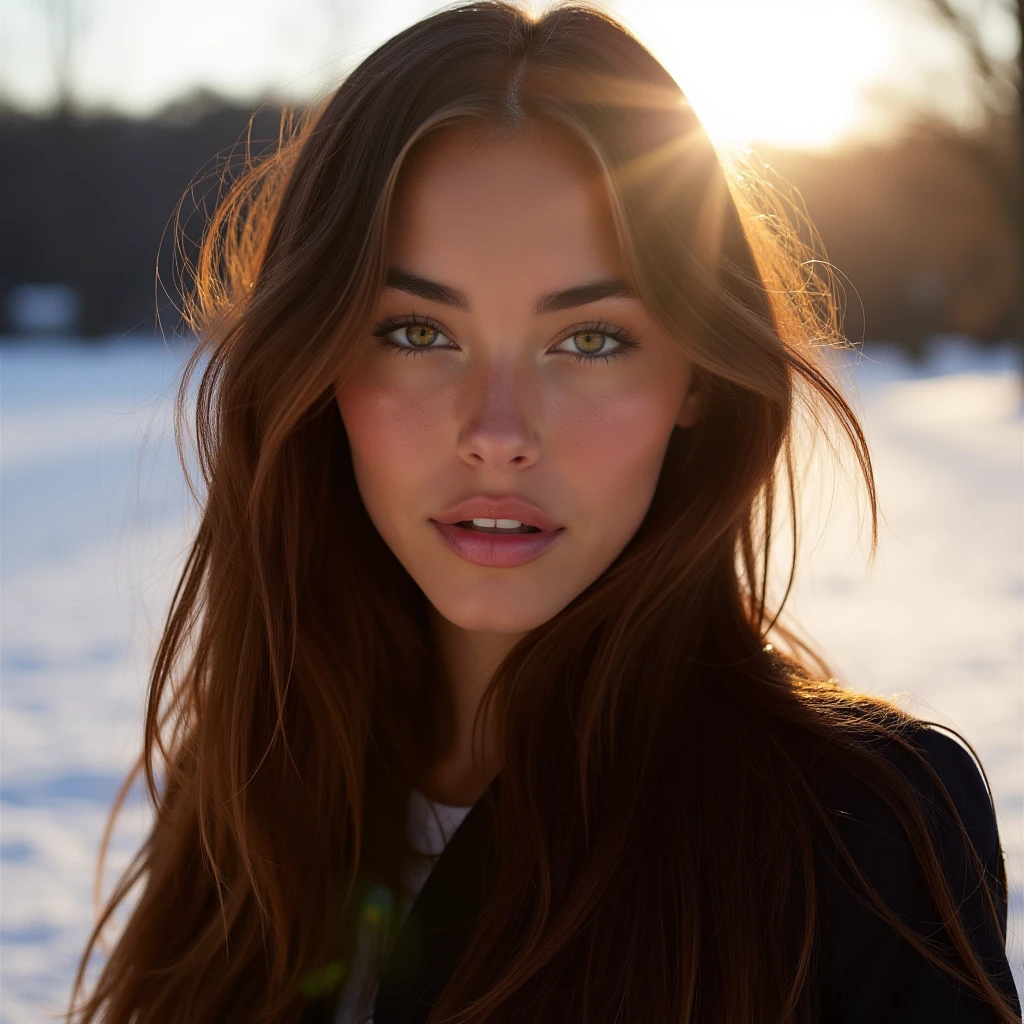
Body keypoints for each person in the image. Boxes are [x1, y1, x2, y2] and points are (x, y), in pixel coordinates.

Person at [69, 3, 1021, 1022]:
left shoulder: (855, 840)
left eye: (593, 339)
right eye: (416, 330)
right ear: (317, 365)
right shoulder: (247, 791)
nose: (498, 430)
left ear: (695, 377)